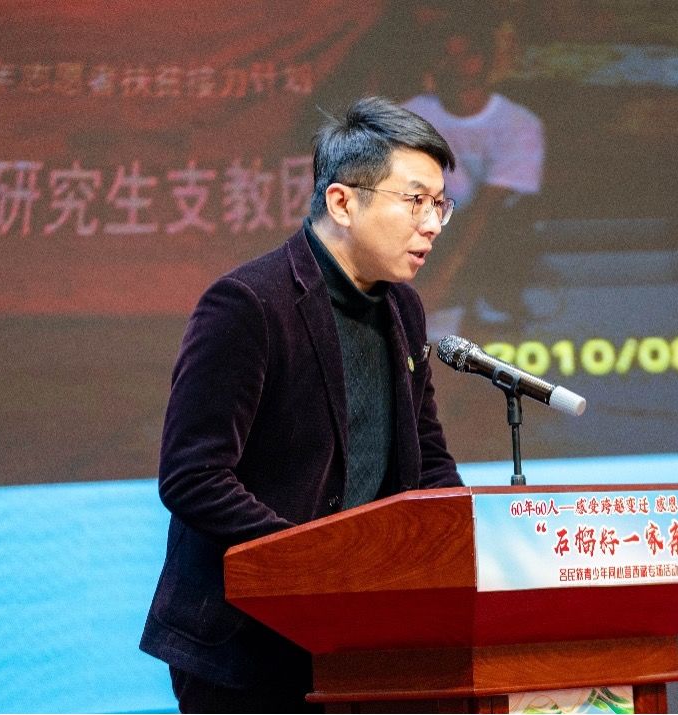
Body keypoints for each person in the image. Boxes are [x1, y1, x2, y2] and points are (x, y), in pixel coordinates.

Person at [139, 96, 463, 713]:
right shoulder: (248, 304)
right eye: (415, 200)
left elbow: (427, 460)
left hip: (364, 640)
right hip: (246, 648)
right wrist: (316, 566)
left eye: (440, 205)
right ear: (342, 202)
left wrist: (462, 548)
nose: (432, 224)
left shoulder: (403, 308)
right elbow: (193, 477)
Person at [402, 22, 546, 336]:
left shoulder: (520, 125)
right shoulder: (407, 117)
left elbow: (487, 210)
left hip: (488, 257)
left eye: (468, 56)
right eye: (446, 56)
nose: (458, 67)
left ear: (487, 61)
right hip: (424, 251)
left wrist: (442, 281)